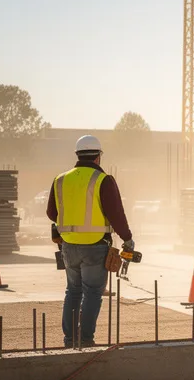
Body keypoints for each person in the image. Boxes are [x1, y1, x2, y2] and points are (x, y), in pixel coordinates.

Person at [47, 135, 134, 348]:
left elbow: (51, 213)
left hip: (68, 245)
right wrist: (127, 238)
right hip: (95, 246)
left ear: (78, 155)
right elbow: (116, 213)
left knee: (73, 291)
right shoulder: (102, 180)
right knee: (93, 292)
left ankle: (70, 340)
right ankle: (85, 339)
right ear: (98, 157)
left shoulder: (60, 179)